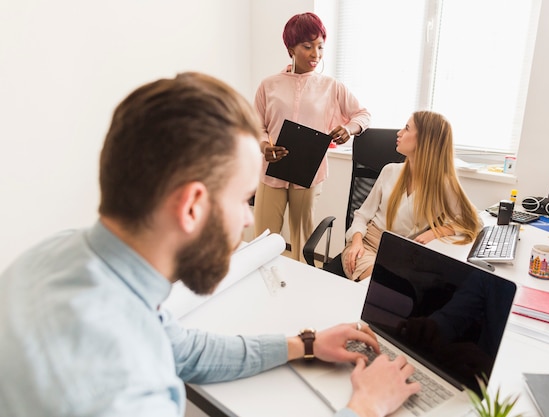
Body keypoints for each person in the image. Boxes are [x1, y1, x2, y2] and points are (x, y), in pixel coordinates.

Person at [0, 72, 420, 417]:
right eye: (242, 199)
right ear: (192, 207)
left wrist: (305, 344)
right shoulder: (125, 388)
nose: (248, 218)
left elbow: (183, 348)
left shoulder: (62, 254)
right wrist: (364, 408)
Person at [253, 12, 371, 262]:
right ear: (291, 49)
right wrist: (264, 144)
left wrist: (349, 129)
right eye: (307, 46)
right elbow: (256, 124)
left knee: (303, 240)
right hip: (271, 170)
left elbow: (363, 114)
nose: (315, 54)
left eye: (320, 47)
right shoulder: (268, 85)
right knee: (262, 239)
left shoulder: (332, 86)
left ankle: (301, 291)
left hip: (309, 172)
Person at [342, 111, 482, 281]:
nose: (399, 133)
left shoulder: (444, 184)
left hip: (405, 255)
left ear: (425, 139)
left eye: (407, 128)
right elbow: (362, 215)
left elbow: (474, 222)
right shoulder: (390, 171)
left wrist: (437, 232)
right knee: (381, 285)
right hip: (367, 246)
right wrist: (356, 241)